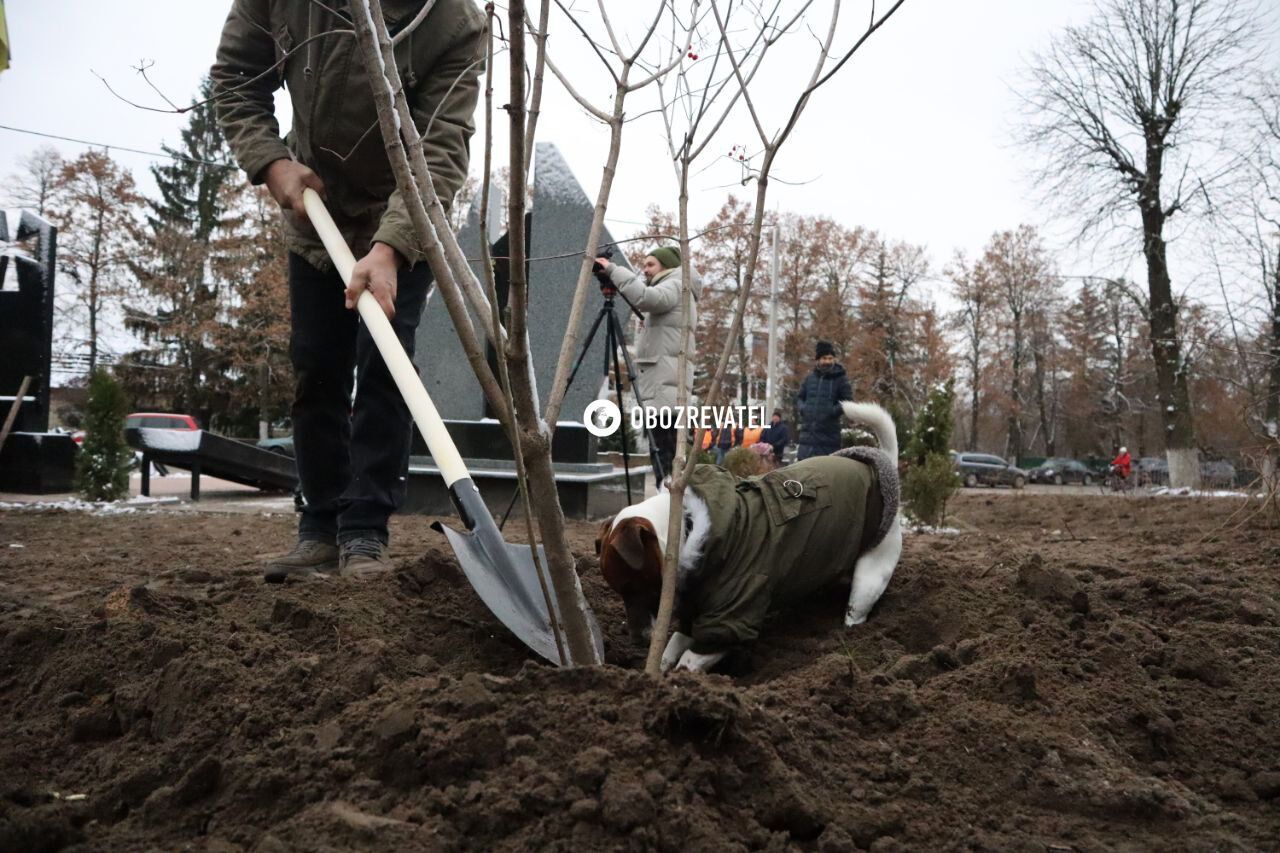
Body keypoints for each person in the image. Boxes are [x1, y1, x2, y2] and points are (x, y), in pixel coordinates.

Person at [211, 0, 486, 581]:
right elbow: (235, 76)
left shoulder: (455, 21)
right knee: (316, 367)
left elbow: (441, 147)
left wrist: (390, 248)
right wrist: (269, 162)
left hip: (405, 217)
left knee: (385, 367)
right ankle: (319, 526)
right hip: (317, 214)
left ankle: (365, 531)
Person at [593, 246, 703, 481]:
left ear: (667, 265)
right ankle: (670, 502)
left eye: (651, 264)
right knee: (664, 452)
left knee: (664, 453)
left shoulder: (675, 284)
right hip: (663, 384)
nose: (645, 270)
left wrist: (613, 269)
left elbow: (645, 298)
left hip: (665, 387)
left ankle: (670, 504)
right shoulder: (675, 286)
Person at [796, 341, 853, 460]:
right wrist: (803, 409)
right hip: (807, 439)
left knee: (824, 474)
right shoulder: (809, 379)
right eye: (824, 358)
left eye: (830, 358)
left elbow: (847, 401)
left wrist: (831, 411)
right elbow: (799, 397)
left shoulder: (841, 379)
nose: (827, 361)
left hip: (829, 439)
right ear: (818, 360)